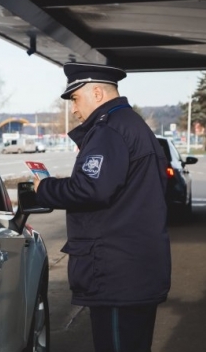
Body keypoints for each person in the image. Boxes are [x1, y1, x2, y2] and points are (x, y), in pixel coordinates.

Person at [34, 62, 171, 352]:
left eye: (75, 98)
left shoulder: (109, 130)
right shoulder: (132, 125)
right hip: (135, 268)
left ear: (96, 93)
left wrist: (44, 189)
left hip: (116, 272)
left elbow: (90, 188)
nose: (73, 109)